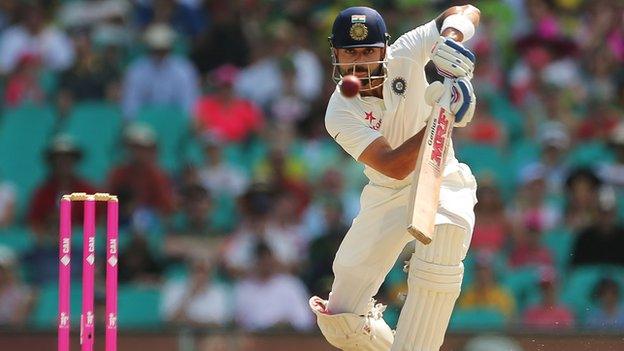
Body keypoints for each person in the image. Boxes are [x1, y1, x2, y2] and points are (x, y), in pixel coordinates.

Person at [308, 6, 480, 351]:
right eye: (350, 52)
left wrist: (451, 38)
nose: (360, 61)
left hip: (442, 176)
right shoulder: (340, 109)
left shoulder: (406, 51)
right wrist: (442, 115)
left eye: (369, 50)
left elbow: (466, 10)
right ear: (335, 54)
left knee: (443, 240)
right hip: (387, 191)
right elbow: (394, 165)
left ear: (384, 49)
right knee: (340, 320)